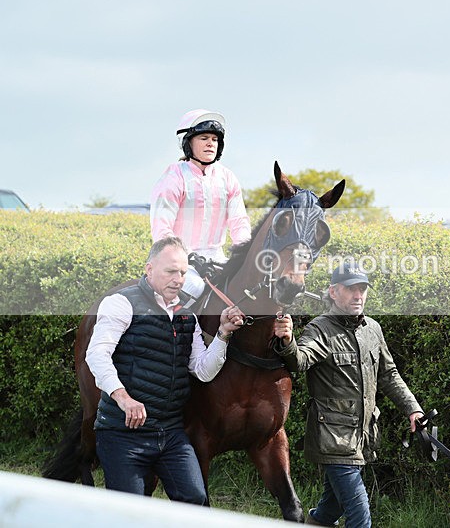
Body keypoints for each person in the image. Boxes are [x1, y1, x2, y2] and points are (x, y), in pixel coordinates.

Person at [85, 236, 246, 504]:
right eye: (171, 271)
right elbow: (96, 354)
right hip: (122, 434)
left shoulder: (186, 315)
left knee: (196, 503)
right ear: (149, 269)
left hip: (170, 433)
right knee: (128, 515)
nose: (178, 279)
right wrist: (124, 399)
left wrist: (223, 334)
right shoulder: (121, 303)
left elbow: (202, 370)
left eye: (183, 272)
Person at [273, 262, 425, 527]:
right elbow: (300, 361)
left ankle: (314, 523)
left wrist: (413, 409)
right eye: (351, 289)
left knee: (329, 509)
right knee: (359, 514)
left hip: (363, 437)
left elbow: (388, 374)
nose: (358, 296)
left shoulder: (372, 329)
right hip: (333, 438)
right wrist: (287, 342)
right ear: (333, 292)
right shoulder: (320, 329)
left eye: (362, 289)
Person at [150, 109, 251, 303]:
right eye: (204, 138)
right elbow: (162, 229)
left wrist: (244, 256)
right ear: (188, 143)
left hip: (217, 259)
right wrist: (187, 257)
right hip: (176, 262)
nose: (210, 143)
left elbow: (239, 223)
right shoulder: (174, 177)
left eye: (214, 139)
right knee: (196, 288)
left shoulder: (228, 177)